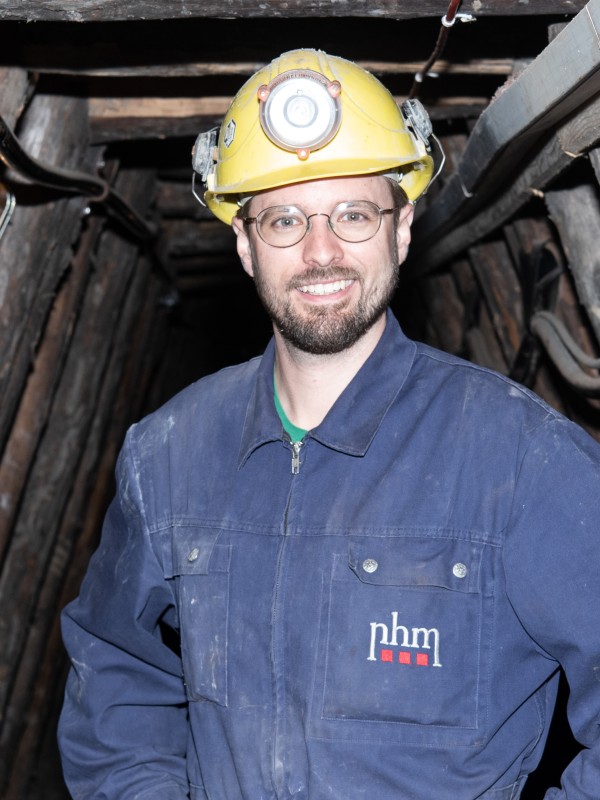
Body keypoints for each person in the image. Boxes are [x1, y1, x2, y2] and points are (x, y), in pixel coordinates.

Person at [58, 49, 600, 800]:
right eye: (284, 219)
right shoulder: (168, 455)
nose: (322, 251)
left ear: (400, 229)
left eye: (353, 214)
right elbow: (115, 675)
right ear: (245, 245)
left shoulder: (521, 458)